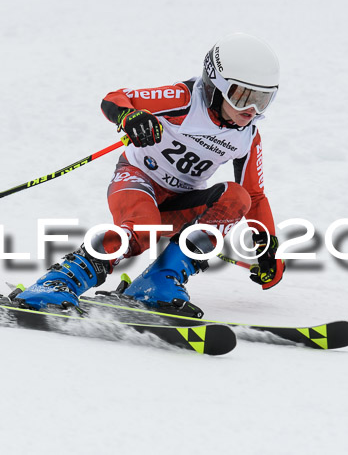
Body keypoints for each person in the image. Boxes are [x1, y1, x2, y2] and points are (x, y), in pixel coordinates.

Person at [14, 32, 285, 314]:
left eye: (263, 100)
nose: (251, 110)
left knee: (237, 197)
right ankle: (57, 282)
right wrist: (129, 116)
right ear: (215, 85)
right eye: (242, 96)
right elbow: (115, 99)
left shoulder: (247, 137)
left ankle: (159, 282)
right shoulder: (183, 99)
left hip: (180, 202)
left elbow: (254, 195)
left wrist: (267, 246)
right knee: (142, 229)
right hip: (136, 179)